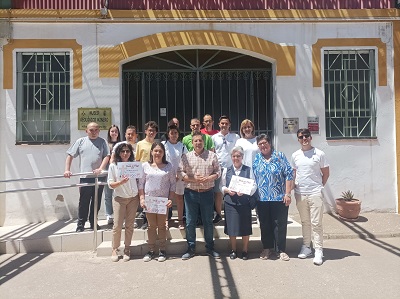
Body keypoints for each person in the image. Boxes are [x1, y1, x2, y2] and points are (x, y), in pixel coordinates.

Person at [179, 131, 221, 260]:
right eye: (195, 141)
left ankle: (210, 247)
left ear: (204, 142)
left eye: (200, 141)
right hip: (190, 194)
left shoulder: (212, 155)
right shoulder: (186, 156)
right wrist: (192, 179)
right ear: (192, 143)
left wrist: (209, 178)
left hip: (207, 193)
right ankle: (191, 248)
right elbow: (180, 173)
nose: (198, 143)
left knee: (208, 222)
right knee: (190, 222)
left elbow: (218, 172)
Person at [291, 128, 330, 266]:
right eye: (301, 137)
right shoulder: (295, 155)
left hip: (315, 193)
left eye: (306, 136)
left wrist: (318, 187)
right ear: (298, 139)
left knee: (316, 223)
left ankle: (318, 250)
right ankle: (306, 246)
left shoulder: (319, 154)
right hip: (300, 193)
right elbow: (294, 174)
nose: (304, 139)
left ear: (311, 137)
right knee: (305, 221)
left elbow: (325, 173)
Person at [252, 134, 293, 261]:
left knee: (280, 224)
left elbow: (289, 174)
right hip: (262, 198)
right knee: (264, 224)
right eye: (260, 144)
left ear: (270, 143)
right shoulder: (257, 158)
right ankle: (266, 248)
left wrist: (287, 194)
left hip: (279, 197)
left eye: (265, 143)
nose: (263, 146)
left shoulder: (279, 156)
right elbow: (253, 177)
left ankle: (281, 250)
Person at [64, 122, 110, 232]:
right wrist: (67, 170)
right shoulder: (81, 141)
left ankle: (93, 222)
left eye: (96, 130)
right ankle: (81, 224)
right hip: (85, 177)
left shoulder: (103, 142)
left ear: (99, 131)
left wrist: (101, 169)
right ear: (86, 131)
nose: (94, 132)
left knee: (96, 201)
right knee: (84, 201)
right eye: (91, 130)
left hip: (99, 177)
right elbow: (70, 155)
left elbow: (107, 156)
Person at [139, 142, 175, 262]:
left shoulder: (169, 166)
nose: (158, 153)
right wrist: (142, 198)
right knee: (151, 226)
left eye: (160, 151)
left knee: (161, 226)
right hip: (149, 201)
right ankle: (150, 250)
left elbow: (173, 185)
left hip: (162, 202)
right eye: (155, 151)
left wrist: (170, 199)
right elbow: (141, 184)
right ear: (151, 152)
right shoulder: (145, 166)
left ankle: (162, 250)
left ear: (163, 153)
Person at [220, 146, 257, 260]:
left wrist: (246, 192)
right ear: (231, 157)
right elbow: (222, 186)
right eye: (234, 156)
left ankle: (245, 250)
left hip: (244, 202)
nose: (236, 158)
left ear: (242, 157)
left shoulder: (248, 170)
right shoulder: (227, 170)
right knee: (232, 228)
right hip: (230, 203)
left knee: (245, 227)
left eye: (238, 156)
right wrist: (227, 190)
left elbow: (254, 185)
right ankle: (233, 250)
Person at [108, 143, 139, 262]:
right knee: (117, 225)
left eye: (127, 151)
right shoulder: (113, 166)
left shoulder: (134, 165)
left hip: (133, 198)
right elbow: (110, 184)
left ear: (131, 153)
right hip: (119, 198)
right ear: (118, 153)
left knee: (130, 225)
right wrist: (120, 182)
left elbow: (139, 180)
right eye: (122, 151)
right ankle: (115, 249)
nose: (125, 153)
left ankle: (127, 248)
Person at [212, 115, 240, 223]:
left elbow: (238, 151)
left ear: (229, 125)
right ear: (219, 124)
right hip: (219, 168)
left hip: (232, 168)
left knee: (233, 191)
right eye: (222, 123)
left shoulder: (235, 137)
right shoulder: (214, 137)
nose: (224, 125)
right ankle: (218, 214)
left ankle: (233, 213)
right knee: (218, 192)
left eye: (226, 123)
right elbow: (212, 152)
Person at [162, 125, 188, 229]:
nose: (173, 135)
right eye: (171, 133)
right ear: (168, 134)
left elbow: (185, 161)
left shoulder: (182, 146)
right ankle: (166, 220)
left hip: (179, 176)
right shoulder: (163, 145)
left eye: (175, 133)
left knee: (179, 198)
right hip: (165, 175)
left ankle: (180, 220)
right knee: (166, 198)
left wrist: (179, 173)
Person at [135, 121, 159, 230]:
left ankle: (155, 221)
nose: (151, 133)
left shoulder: (157, 144)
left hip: (155, 173)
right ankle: (145, 220)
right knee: (144, 197)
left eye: (153, 131)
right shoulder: (140, 144)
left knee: (153, 196)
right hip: (143, 174)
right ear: (145, 131)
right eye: (149, 130)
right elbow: (137, 160)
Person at [104, 125, 121, 225]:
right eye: (112, 131)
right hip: (108, 171)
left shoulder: (121, 144)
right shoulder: (105, 144)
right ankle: (109, 214)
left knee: (118, 193)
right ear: (109, 133)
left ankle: (118, 214)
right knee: (108, 194)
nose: (114, 133)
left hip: (118, 171)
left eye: (116, 131)